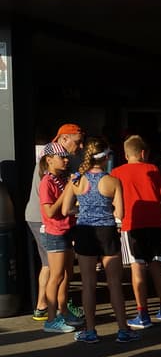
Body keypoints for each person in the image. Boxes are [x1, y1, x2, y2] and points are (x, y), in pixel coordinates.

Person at [67, 137, 136, 344]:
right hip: (106, 230)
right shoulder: (113, 181)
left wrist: (83, 210)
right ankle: (123, 329)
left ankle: (90, 330)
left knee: (88, 284)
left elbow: (67, 209)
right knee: (114, 283)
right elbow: (121, 213)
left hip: (85, 231)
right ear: (105, 157)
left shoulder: (77, 180)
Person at [113, 135, 161, 328]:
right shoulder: (153, 169)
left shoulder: (116, 172)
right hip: (155, 223)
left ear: (125, 154)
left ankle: (142, 314)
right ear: (143, 153)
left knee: (137, 267)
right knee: (157, 265)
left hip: (131, 224)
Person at [26, 124, 84, 322]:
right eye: (77, 141)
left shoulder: (60, 162)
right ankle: (51, 309)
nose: (80, 146)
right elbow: (50, 205)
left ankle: (51, 307)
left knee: (55, 267)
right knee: (53, 268)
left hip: (55, 222)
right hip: (45, 221)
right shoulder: (51, 165)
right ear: (63, 139)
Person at [38, 142, 84, 335]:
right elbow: (49, 211)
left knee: (66, 275)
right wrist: (66, 192)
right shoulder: (47, 182)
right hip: (55, 232)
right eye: (62, 157)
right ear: (49, 160)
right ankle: (50, 319)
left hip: (68, 230)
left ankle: (63, 311)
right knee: (56, 276)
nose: (66, 160)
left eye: (67, 157)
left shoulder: (61, 179)